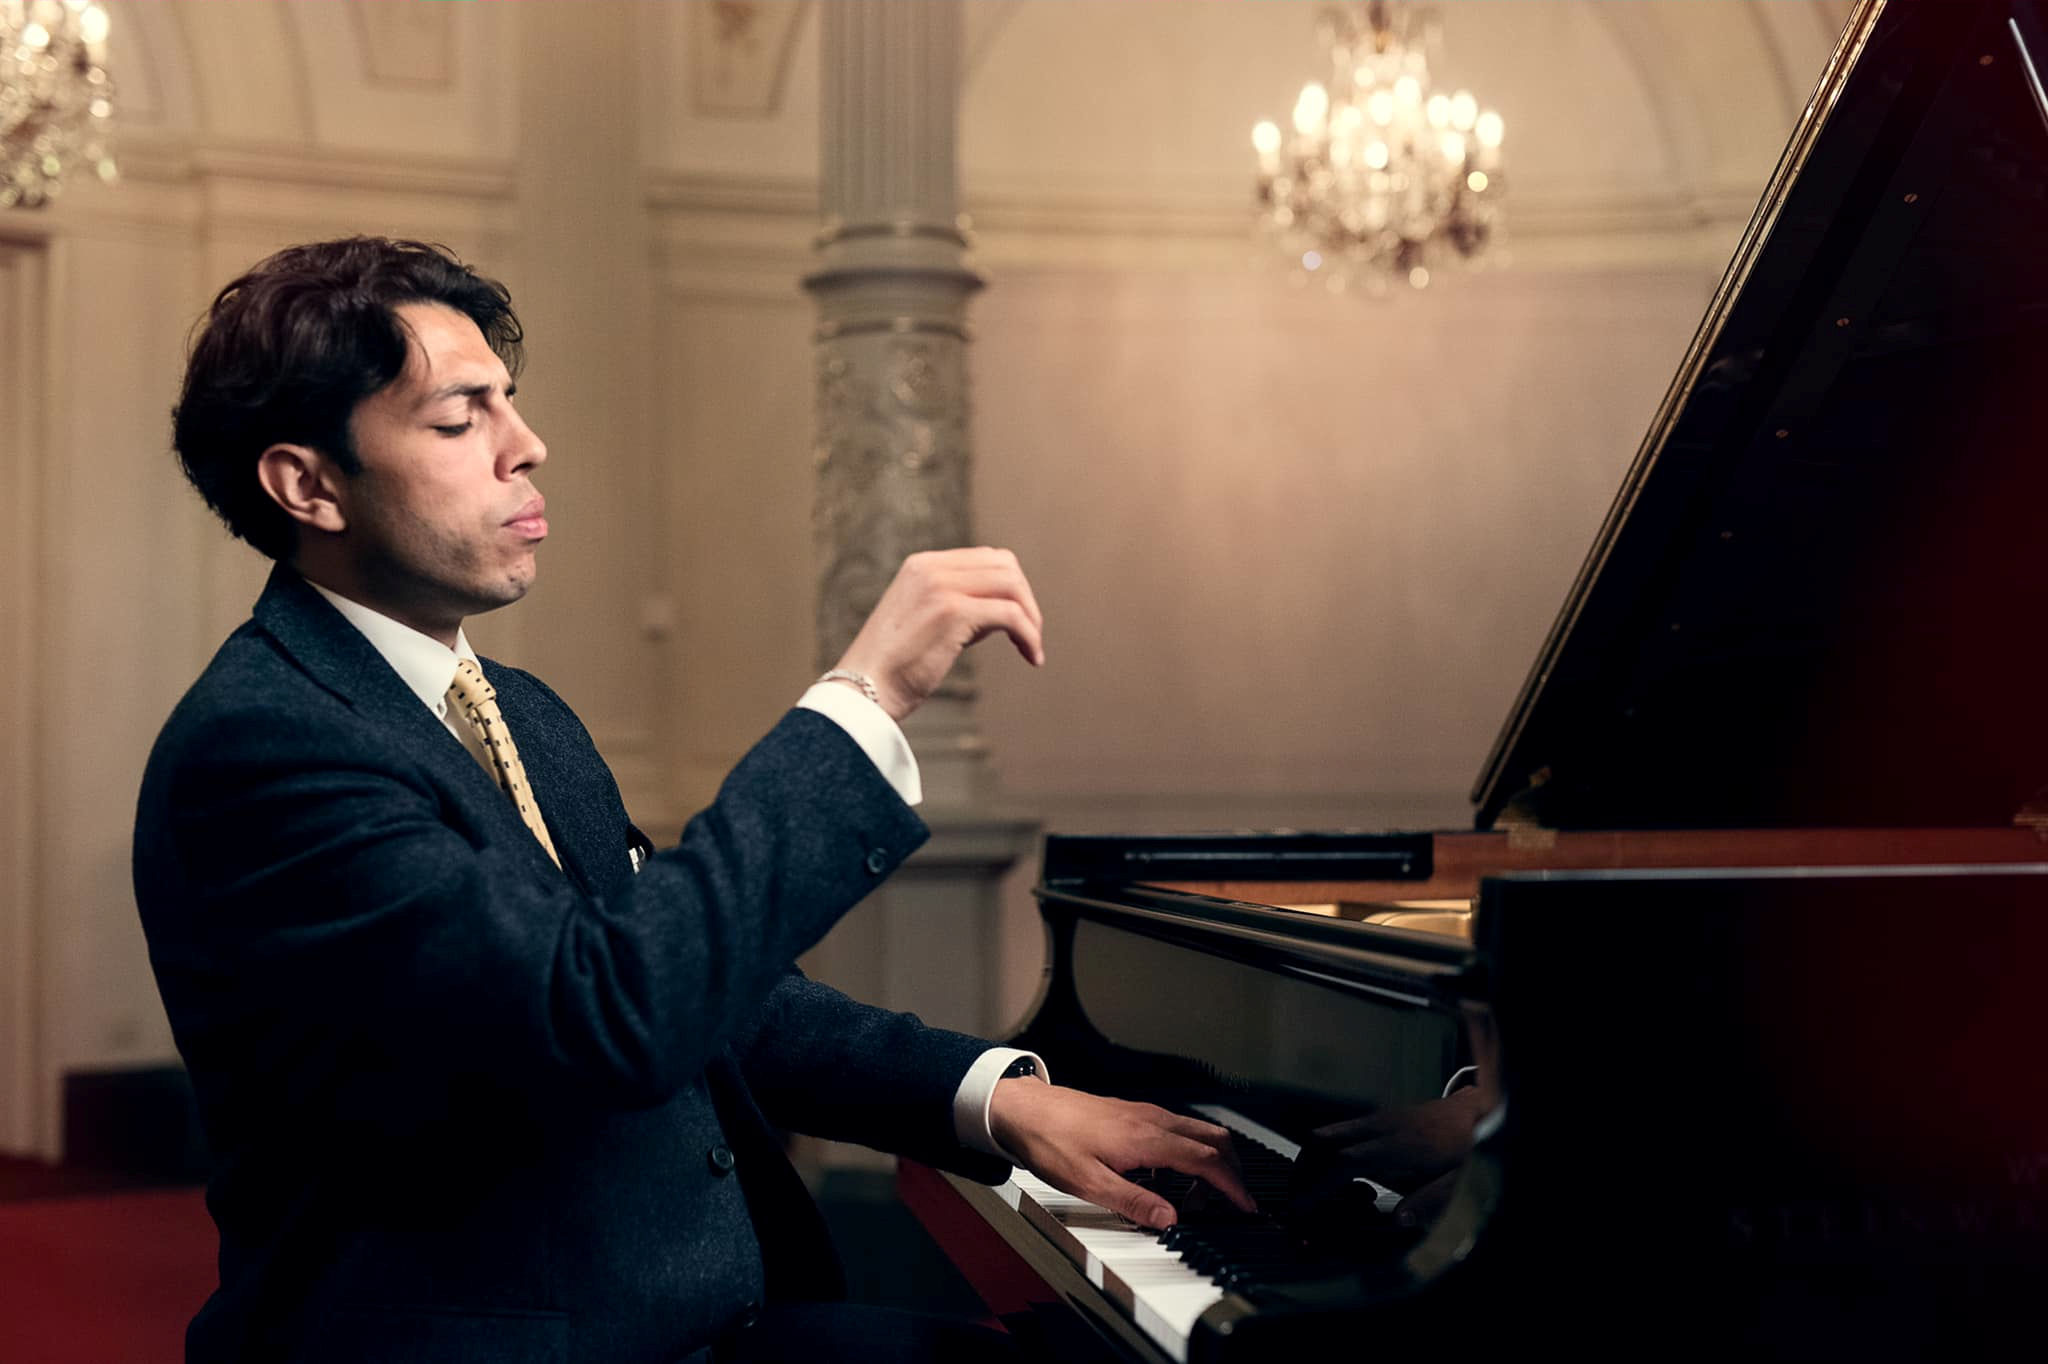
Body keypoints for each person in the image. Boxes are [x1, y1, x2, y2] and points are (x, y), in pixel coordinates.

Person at [133, 237, 1250, 1364]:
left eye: (508, 401)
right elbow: (605, 1011)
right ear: (308, 484)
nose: (528, 444)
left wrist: (992, 1097)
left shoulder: (522, 710)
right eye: (462, 417)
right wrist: (863, 698)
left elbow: (707, 987)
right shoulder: (266, 746)